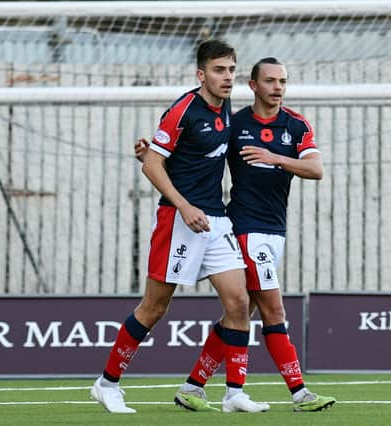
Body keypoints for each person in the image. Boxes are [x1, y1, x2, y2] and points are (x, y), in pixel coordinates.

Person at [136, 57, 336, 412]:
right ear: (254, 85)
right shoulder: (235, 122)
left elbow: (316, 169)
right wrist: (149, 156)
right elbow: (198, 153)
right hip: (244, 228)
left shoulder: (296, 124)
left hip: (275, 230)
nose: (278, 87)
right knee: (272, 310)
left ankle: (193, 386)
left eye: (283, 81)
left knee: (242, 312)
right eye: (271, 81)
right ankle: (298, 393)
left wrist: (276, 158)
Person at [90, 39, 270, 414]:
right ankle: (107, 384)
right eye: (219, 70)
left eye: (232, 70)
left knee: (239, 301)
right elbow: (151, 164)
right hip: (179, 219)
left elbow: (172, 158)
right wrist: (183, 204)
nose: (227, 77)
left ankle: (234, 393)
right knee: (154, 308)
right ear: (200, 74)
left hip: (215, 219)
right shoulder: (183, 109)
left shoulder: (226, 107)